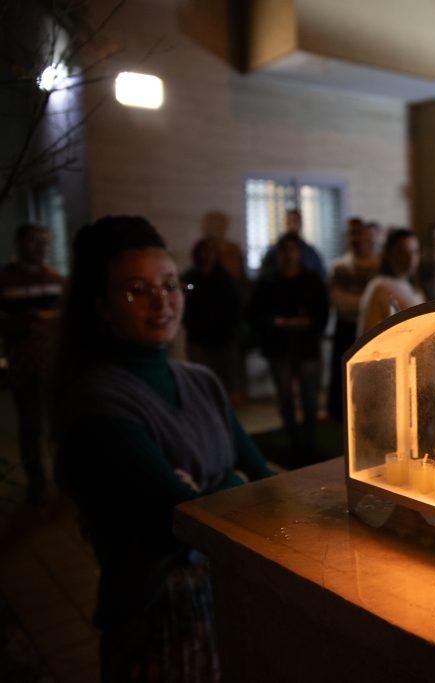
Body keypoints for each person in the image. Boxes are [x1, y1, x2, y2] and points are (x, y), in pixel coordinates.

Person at [53, 215, 273, 680]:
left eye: (171, 285)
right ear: (102, 306)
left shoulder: (201, 381)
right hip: (155, 617)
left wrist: (217, 489)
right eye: (136, 290)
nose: (162, 303)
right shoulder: (100, 401)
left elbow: (264, 481)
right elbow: (182, 519)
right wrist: (228, 486)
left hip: (224, 598)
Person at [249, 232, 330, 465]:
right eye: (284, 251)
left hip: (306, 346)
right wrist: (276, 322)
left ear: (299, 253)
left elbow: (322, 312)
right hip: (279, 346)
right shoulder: (268, 281)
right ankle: (294, 440)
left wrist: (307, 323)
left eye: (292, 250)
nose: (288, 255)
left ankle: (309, 440)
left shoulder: (311, 280)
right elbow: (255, 313)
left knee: (310, 397)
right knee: (285, 397)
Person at [0, 223, 64, 504]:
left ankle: (64, 481)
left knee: (60, 425)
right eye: (34, 241)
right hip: (23, 364)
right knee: (30, 426)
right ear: (19, 243)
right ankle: (37, 484)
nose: (40, 246)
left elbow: (65, 319)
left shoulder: (56, 278)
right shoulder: (5, 279)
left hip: (54, 363)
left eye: (45, 241)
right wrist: (20, 322)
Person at [327, 217, 378, 420]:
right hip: (345, 328)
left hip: (370, 328)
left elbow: (380, 298)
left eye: (360, 233)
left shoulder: (378, 265)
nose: (356, 238)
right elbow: (339, 301)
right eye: (352, 234)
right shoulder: (339, 266)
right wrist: (366, 303)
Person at [182, 237, 242, 393]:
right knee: (198, 380)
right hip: (197, 338)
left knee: (223, 381)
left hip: (222, 338)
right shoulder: (191, 278)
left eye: (211, 251)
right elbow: (184, 299)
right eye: (204, 250)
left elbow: (234, 307)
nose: (207, 255)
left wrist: (230, 329)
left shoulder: (225, 279)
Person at [357, 228, 424, 336]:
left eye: (414, 252)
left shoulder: (413, 288)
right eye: (403, 252)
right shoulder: (379, 287)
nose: (411, 258)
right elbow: (369, 334)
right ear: (389, 254)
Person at [258, 209, 326, 280]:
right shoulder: (273, 252)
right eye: (289, 221)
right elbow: (264, 276)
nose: (292, 225)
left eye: (295, 221)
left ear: (300, 224)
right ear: (285, 223)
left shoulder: (310, 253)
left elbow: (319, 276)